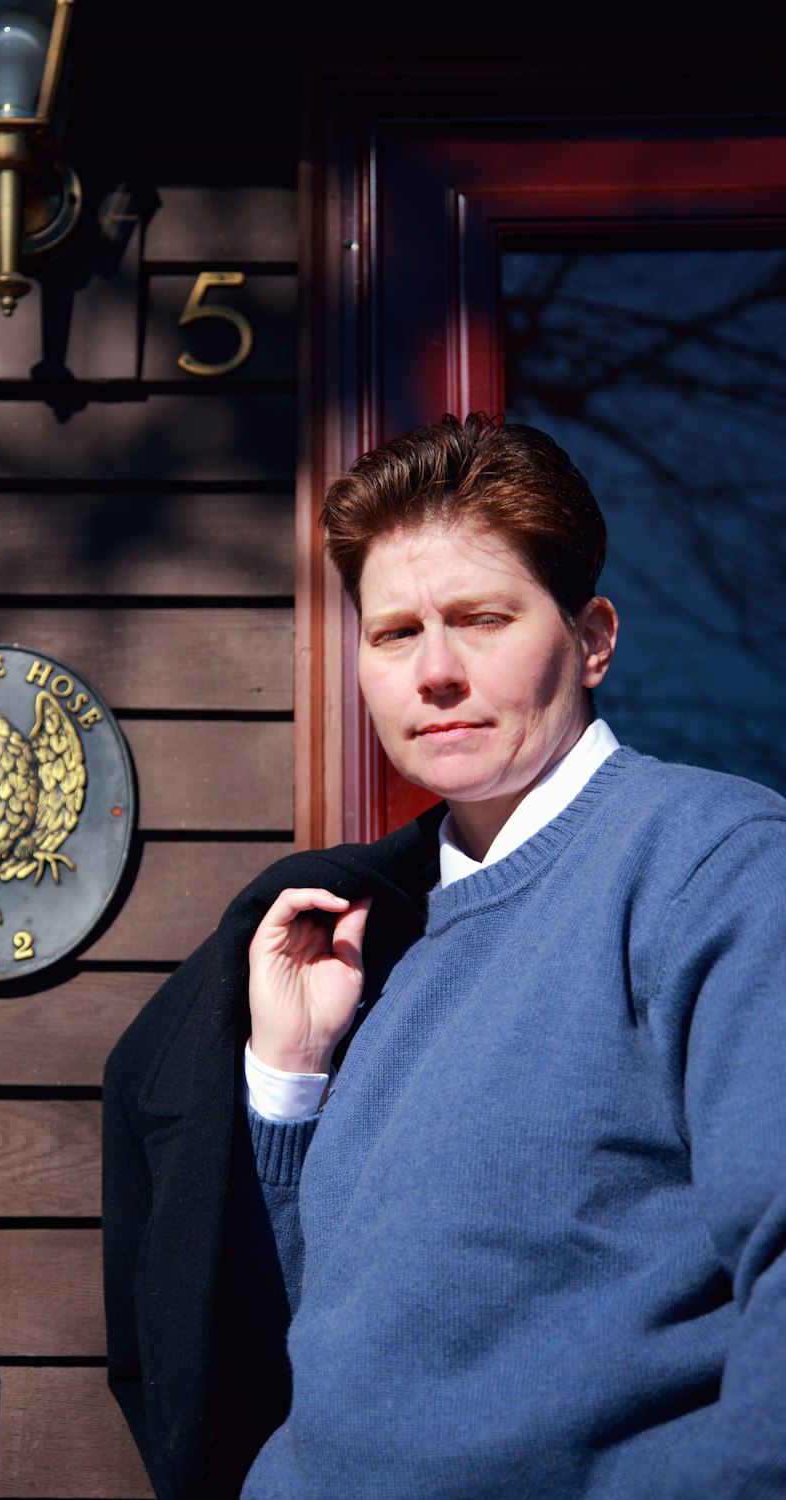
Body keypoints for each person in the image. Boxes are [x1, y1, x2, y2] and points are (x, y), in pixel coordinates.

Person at [103, 413, 786, 1499]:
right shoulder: (371, 932)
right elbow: (318, 1352)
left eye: (480, 618)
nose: (434, 672)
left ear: (593, 638)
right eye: (393, 634)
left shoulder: (715, 866)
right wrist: (288, 1087)